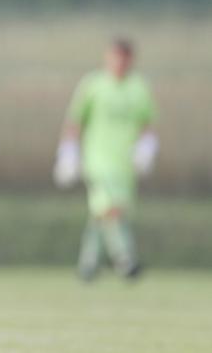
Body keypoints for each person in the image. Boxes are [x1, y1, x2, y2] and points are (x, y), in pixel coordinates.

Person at [54, 38, 158, 281]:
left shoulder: (139, 87)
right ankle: (126, 260)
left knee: (102, 214)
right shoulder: (93, 85)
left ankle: (88, 265)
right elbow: (75, 120)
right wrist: (68, 152)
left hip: (125, 163)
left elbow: (148, 122)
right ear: (107, 58)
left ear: (131, 60)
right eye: (115, 57)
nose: (119, 63)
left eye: (124, 58)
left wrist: (148, 148)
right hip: (98, 160)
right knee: (112, 210)